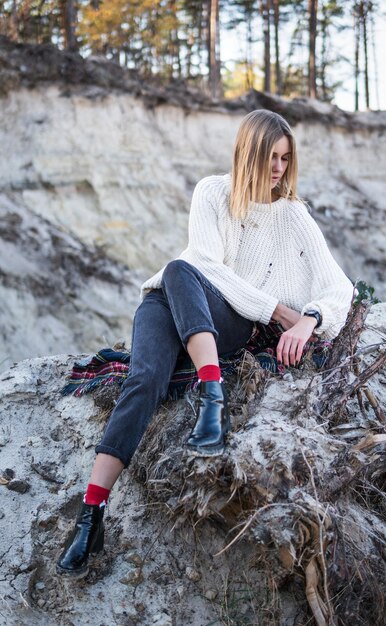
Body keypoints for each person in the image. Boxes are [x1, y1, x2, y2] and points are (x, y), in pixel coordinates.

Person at [56, 109, 354, 578]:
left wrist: (310, 321)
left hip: (227, 318)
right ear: (248, 153)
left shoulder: (293, 215)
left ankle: (211, 400)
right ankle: (91, 515)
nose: (278, 168)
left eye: (285, 158)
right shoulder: (212, 191)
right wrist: (278, 310)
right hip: (166, 301)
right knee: (146, 374)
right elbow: (204, 264)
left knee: (181, 270)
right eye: (270, 156)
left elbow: (340, 287)